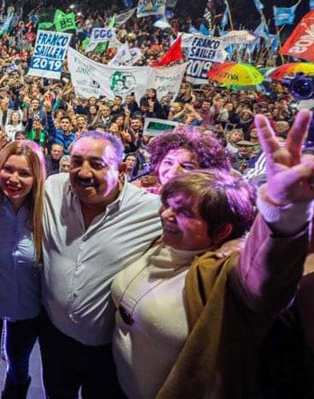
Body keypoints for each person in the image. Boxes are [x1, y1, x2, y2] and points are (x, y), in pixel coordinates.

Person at [111, 110, 314, 397]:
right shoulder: (162, 230)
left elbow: (264, 283)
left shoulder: (220, 268)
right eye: (169, 204)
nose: (167, 214)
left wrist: (284, 211)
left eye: (183, 211)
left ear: (220, 230)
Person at [40, 130, 161, 398]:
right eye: (76, 161)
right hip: (55, 338)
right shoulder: (52, 189)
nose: (83, 173)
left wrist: (235, 244)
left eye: (97, 164)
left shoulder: (154, 211)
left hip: (108, 350)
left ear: (122, 168)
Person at [0, 140, 46, 399]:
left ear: (36, 177)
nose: (13, 179)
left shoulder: (46, 210)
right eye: (8, 169)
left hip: (28, 308)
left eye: (24, 173)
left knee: (18, 366)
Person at [132, 125, 232, 193]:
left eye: (187, 166)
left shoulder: (207, 211)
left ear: (207, 172)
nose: (173, 172)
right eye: (168, 162)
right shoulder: (143, 196)